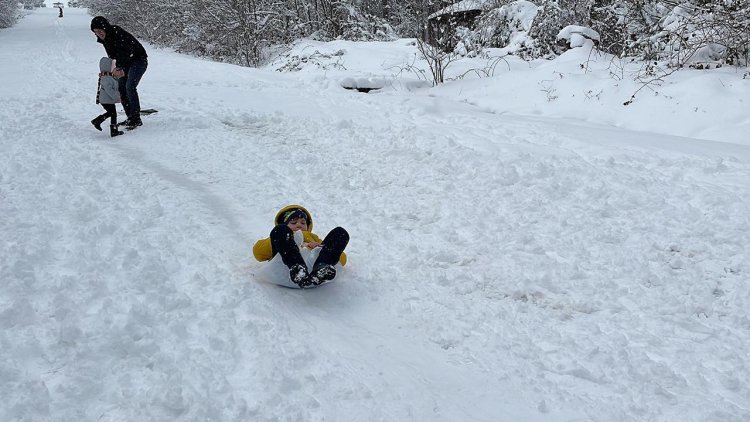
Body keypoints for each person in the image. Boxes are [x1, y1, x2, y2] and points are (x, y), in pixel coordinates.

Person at [253, 205, 349, 288]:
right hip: (285, 267)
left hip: (313, 271)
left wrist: (321, 249)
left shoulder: (313, 238)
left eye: (303, 223)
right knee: (279, 230)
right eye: (293, 223)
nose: (299, 225)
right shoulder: (280, 236)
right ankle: (297, 267)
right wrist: (280, 240)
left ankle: (322, 268)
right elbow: (258, 253)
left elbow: (342, 259)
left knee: (340, 233)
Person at [90, 16, 148, 130]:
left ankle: (136, 119)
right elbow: (112, 56)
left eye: (99, 30)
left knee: (130, 86)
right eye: (95, 32)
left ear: (105, 27)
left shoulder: (117, 32)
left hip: (138, 60)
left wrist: (119, 67)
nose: (98, 34)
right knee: (121, 88)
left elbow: (126, 51)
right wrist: (109, 72)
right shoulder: (105, 39)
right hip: (125, 64)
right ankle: (130, 117)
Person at [91, 57, 124, 137]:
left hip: (107, 100)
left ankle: (98, 121)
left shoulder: (109, 77)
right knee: (112, 114)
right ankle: (112, 130)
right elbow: (110, 91)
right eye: (114, 68)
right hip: (106, 100)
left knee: (112, 113)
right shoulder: (106, 78)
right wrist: (117, 97)